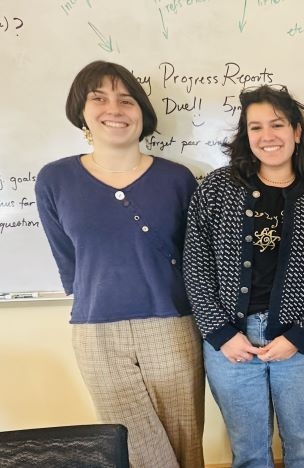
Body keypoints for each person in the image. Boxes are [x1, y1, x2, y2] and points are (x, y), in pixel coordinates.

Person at [35, 60, 204, 468]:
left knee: (185, 443)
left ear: (142, 114)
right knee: (130, 445)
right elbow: (66, 258)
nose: (114, 109)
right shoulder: (54, 180)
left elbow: (196, 259)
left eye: (126, 100)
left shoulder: (178, 179)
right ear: (82, 111)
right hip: (97, 335)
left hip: (172, 326)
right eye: (100, 98)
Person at [183, 84, 304, 468]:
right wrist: (221, 335)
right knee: (250, 452)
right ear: (246, 135)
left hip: (299, 345)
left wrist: (300, 336)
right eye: (255, 127)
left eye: (277, 124)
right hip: (232, 347)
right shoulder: (217, 189)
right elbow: (196, 266)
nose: (267, 136)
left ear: (296, 132)